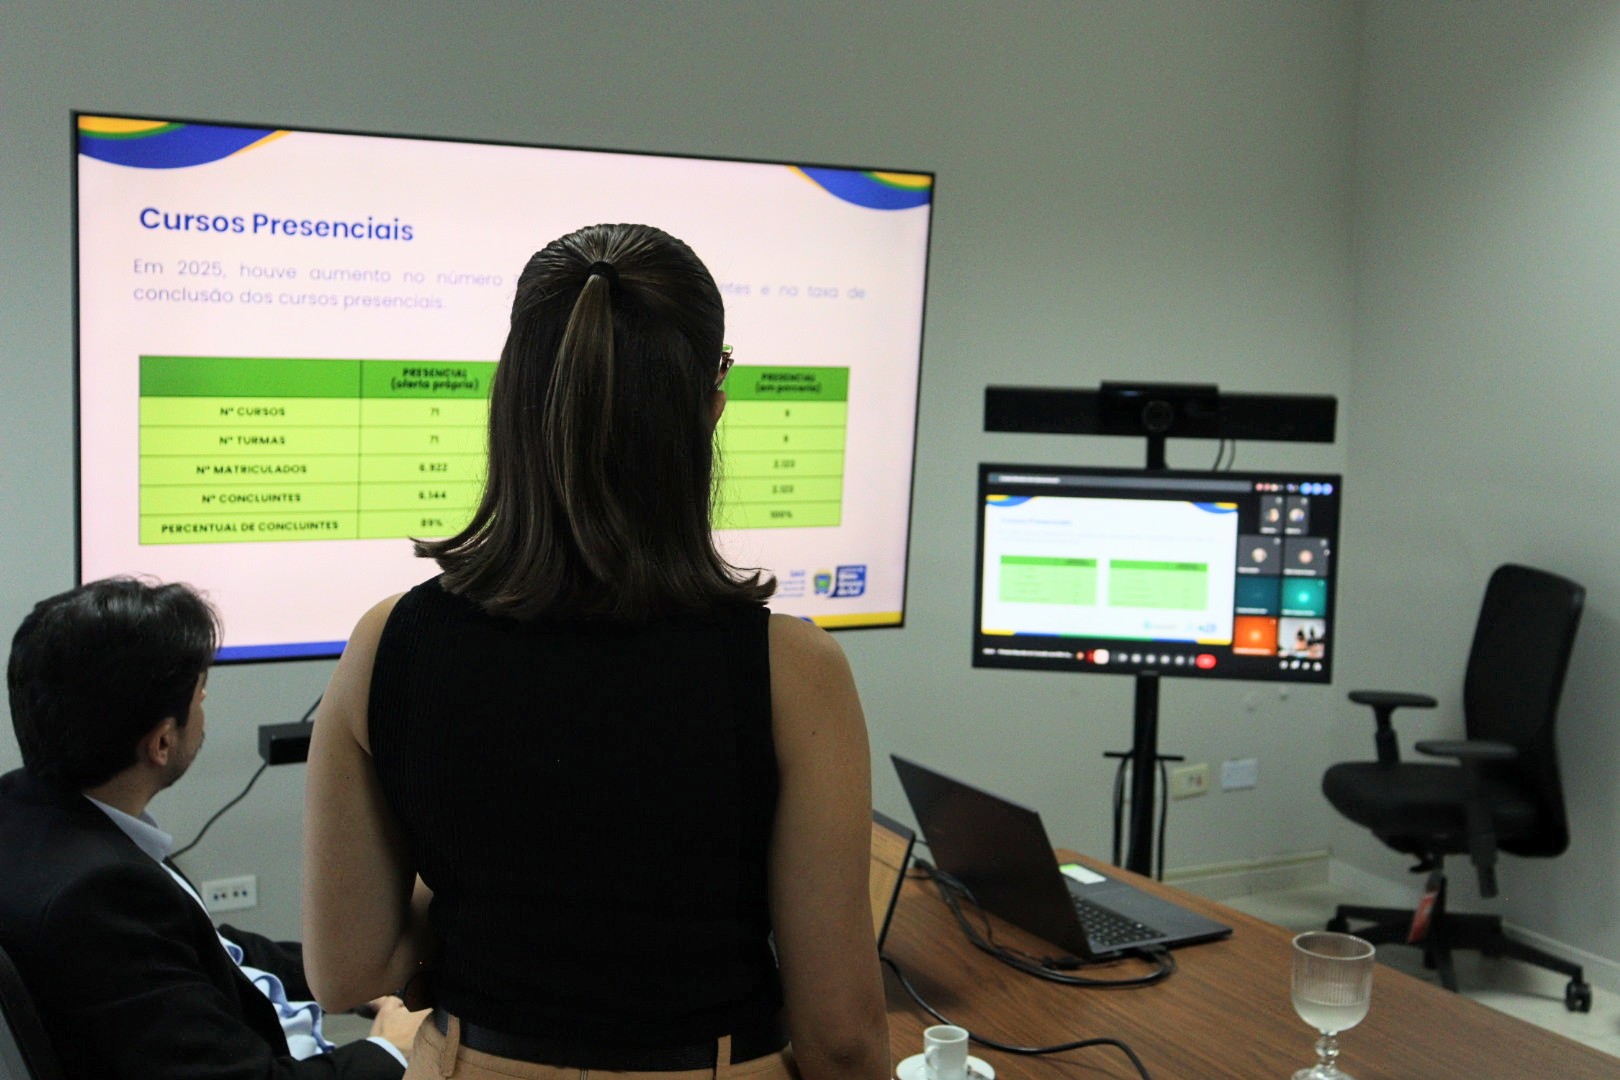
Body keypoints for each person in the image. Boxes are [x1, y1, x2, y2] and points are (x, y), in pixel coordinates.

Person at [301, 223, 889, 1080]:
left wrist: (478, 879)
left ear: (510, 395)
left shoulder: (387, 642)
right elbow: (841, 1037)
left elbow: (348, 972)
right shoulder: (793, 671)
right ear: (711, 402)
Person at [0, 576, 423, 1079]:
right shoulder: (99, 900)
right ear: (161, 743)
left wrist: (354, 976)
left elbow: (214, 948)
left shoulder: (25, 808)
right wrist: (393, 1049)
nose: (204, 703)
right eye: (200, 694)